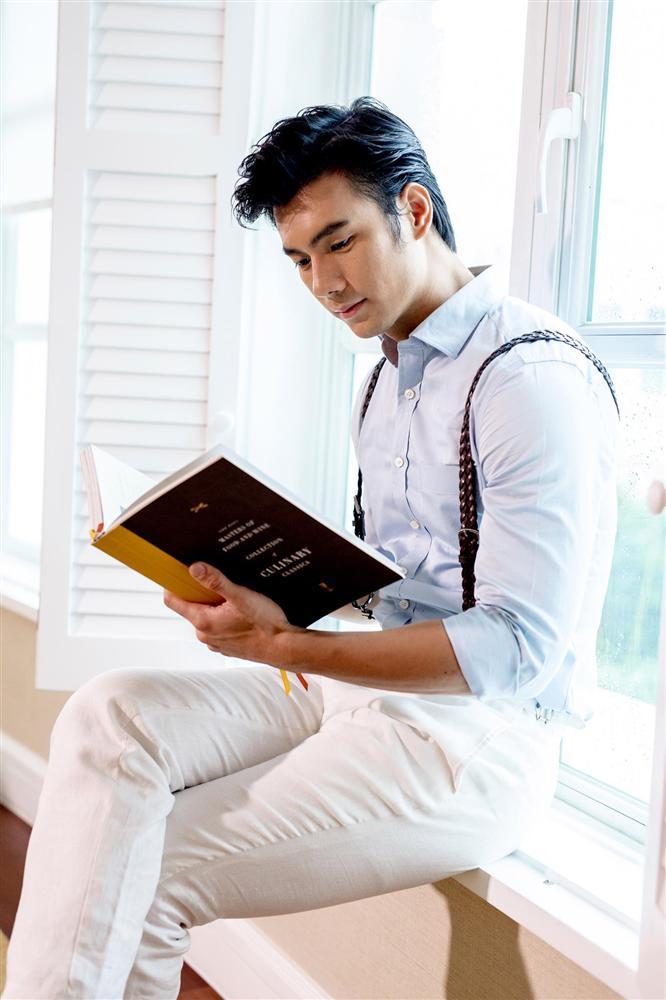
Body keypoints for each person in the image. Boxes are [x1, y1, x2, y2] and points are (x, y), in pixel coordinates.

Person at [3, 97, 619, 1000]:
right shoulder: (385, 377)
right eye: (299, 259)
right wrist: (261, 592)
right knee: (109, 713)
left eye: (340, 242)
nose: (324, 283)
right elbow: (397, 582)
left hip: (480, 735)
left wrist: (285, 644)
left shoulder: (527, 377)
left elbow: (516, 648)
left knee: (146, 870)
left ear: (414, 211)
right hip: (362, 684)